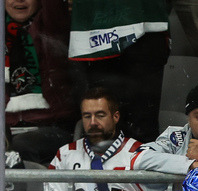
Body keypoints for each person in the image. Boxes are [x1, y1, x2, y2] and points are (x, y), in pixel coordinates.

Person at [0, 0, 78, 165]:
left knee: (19, 146)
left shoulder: (53, 26)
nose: (19, 0)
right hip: (3, 130)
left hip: (49, 127)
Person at [41, 87, 167, 191]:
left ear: (116, 117)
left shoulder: (139, 154)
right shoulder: (65, 155)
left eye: (100, 115)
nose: (93, 122)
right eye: (87, 116)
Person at [68, 0, 169, 143]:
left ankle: (139, 162)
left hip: (144, 28)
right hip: (97, 27)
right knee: (104, 123)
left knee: (142, 125)